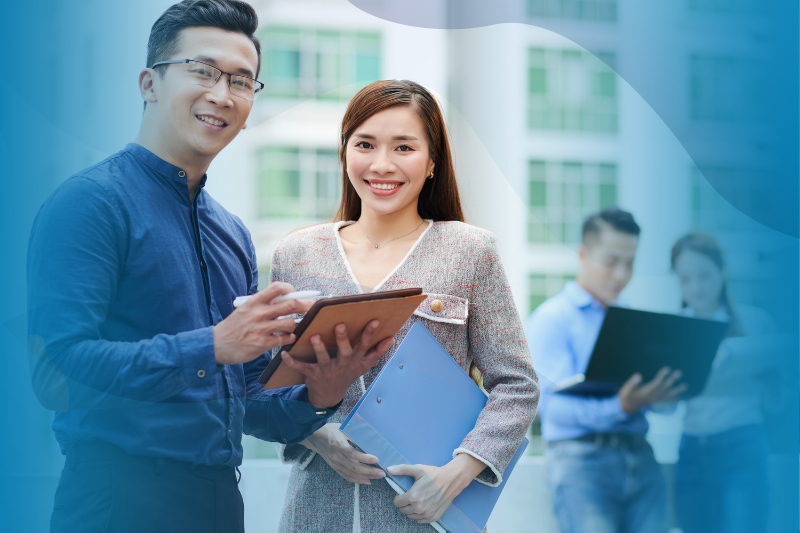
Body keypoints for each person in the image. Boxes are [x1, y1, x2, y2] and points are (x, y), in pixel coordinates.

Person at [26, 2, 392, 532]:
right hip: (114, 500)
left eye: (242, 81)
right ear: (149, 83)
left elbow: (248, 403)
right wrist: (212, 346)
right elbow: (55, 373)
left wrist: (324, 389)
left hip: (220, 501)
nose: (222, 94)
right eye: (202, 71)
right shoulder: (89, 203)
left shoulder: (232, 234)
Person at [267, 80, 540, 532]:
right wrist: (318, 437)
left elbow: (518, 384)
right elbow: (270, 381)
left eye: (404, 148)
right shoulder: (297, 253)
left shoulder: (470, 251)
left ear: (432, 162)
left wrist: (458, 474)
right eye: (365, 144)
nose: (381, 164)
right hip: (316, 512)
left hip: (422, 517)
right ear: (344, 152)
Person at [524, 208, 685, 533]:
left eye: (630, 263)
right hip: (582, 464)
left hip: (642, 457)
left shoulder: (634, 321)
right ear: (583, 254)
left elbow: (662, 409)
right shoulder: (552, 320)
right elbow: (552, 409)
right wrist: (621, 406)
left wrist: (664, 393)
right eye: (611, 262)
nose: (621, 274)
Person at [671, 232, 778, 533]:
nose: (696, 287)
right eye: (685, 279)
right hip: (691, 450)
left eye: (704, 275)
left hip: (742, 444)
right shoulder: (672, 329)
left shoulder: (756, 322)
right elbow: (664, 408)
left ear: (722, 270)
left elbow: (779, 397)